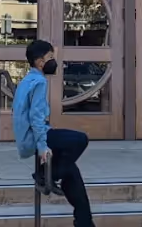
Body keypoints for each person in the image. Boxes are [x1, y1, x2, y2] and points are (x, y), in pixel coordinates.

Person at [14, 39, 95, 227]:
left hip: (33, 135)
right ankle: (47, 173)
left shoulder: (26, 80)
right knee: (80, 139)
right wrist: (42, 147)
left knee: (72, 174)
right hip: (36, 136)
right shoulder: (39, 82)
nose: (54, 61)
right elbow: (36, 118)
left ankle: (85, 223)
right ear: (39, 62)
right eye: (50, 57)